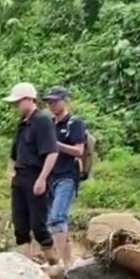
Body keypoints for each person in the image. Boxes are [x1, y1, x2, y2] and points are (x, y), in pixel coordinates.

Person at [5, 82, 59, 261]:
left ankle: (54, 263)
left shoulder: (42, 120)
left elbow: (52, 152)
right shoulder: (22, 124)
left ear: (29, 99)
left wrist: (42, 179)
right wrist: (10, 172)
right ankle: (26, 265)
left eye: (19, 102)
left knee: (39, 226)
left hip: (36, 176)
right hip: (20, 177)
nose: (16, 107)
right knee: (20, 226)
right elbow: (14, 153)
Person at [43, 86, 88, 266]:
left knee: (57, 217)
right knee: (48, 220)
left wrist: (57, 145)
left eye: (55, 101)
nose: (51, 105)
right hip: (50, 177)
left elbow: (78, 150)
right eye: (48, 102)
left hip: (67, 176)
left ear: (65, 101)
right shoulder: (49, 124)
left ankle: (62, 262)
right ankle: (63, 261)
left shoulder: (74, 123)